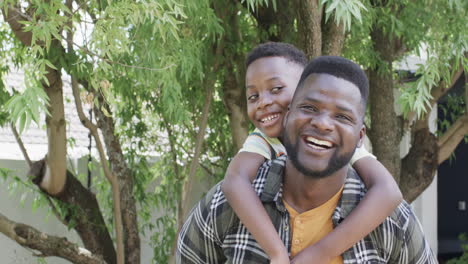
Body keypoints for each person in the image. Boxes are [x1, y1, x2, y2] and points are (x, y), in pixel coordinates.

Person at [176, 55, 437, 263]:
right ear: (287, 115)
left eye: (342, 117)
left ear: (360, 137)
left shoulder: (390, 221)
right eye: (309, 108)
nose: (323, 124)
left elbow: (389, 192)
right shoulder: (227, 206)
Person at [221, 43, 402, 263]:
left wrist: (316, 255)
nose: (264, 102)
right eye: (253, 96)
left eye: (276, 89)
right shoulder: (261, 141)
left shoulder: (337, 145)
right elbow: (234, 181)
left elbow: (389, 192)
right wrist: (277, 253)